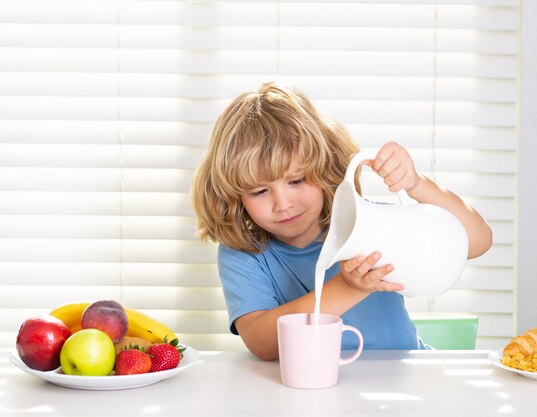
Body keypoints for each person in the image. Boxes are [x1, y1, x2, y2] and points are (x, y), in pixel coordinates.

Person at [192, 82, 492, 361]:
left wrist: (416, 184)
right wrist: (350, 288)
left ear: (325, 168)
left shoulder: (369, 224)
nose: (283, 204)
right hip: (314, 386)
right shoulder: (245, 253)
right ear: (234, 197)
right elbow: (263, 343)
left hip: (404, 374)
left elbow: (477, 241)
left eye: (297, 180)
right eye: (260, 191)